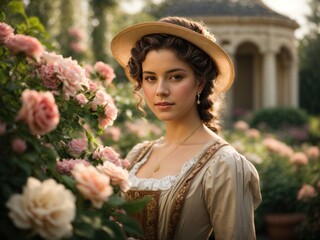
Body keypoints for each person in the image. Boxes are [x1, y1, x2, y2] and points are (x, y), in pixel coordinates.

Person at [111, 16, 262, 240]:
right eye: (150, 78)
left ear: (199, 82)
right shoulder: (138, 155)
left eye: (175, 76)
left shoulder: (224, 165)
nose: (160, 90)